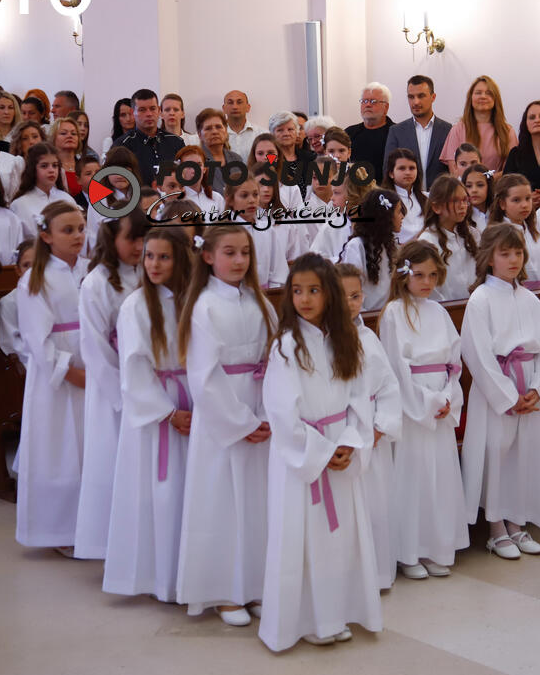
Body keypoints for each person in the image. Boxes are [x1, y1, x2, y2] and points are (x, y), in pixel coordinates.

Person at [259, 253, 381, 649]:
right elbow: (281, 412)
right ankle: (306, 619)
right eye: (297, 291)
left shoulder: (346, 341)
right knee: (304, 540)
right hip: (306, 457)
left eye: (314, 290)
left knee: (339, 540)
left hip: (340, 448)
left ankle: (337, 612)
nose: (305, 299)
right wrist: (322, 451)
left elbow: (360, 397)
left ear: (329, 293)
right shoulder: (286, 346)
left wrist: (350, 441)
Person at [176, 225, 277, 626]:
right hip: (223, 415)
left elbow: (275, 356)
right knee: (222, 501)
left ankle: (255, 584)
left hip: (260, 406)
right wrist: (240, 422)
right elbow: (204, 376)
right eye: (230, 253)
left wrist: (267, 413)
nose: (239, 261)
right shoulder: (203, 306)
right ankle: (223, 591)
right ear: (207, 256)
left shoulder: (260, 302)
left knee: (256, 502)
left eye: (245, 253)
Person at [102, 228, 193, 601]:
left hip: (193, 401)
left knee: (190, 492)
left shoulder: (192, 299)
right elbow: (134, 368)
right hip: (160, 409)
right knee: (162, 492)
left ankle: (191, 573)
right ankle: (161, 578)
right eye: (149, 256)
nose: (154, 264)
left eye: (164, 257)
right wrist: (168, 412)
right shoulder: (136, 306)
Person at [461, 223, 540, 558]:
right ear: (489, 258)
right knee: (497, 453)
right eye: (505, 254)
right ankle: (496, 528)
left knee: (523, 455)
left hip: (528, 386)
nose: (514, 259)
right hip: (498, 388)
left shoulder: (528, 298)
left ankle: (517, 523)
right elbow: (477, 353)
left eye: (518, 252)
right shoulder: (480, 299)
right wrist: (507, 396)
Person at [379, 239, 469, 579]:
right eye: (419, 275)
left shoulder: (439, 312)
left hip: (441, 402)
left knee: (439, 478)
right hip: (413, 407)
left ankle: (435, 547)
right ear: (404, 275)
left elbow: (454, 362)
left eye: (432, 275)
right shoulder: (393, 313)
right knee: (413, 478)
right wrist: (427, 402)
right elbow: (395, 367)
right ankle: (409, 551)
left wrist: (448, 396)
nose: (427, 282)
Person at [73, 212, 148, 560]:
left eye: (144, 238)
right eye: (131, 238)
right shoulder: (96, 283)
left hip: (150, 385)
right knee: (114, 462)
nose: (139, 246)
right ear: (111, 238)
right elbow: (96, 348)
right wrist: (124, 395)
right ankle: (110, 545)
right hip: (115, 391)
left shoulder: (150, 272)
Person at [14, 201, 88, 552]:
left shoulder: (92, 271)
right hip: (58, 377)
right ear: (46, 236)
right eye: (67, 230)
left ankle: (92, 526)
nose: (77, 236)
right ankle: (59, 531)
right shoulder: (34, 279)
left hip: (95, 367)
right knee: (60, 450)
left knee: (90, 447)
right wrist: (69, 372)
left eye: (81, 228)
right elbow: (35, 338)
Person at [336, 263, 403, 590]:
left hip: (374, 435)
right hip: (347, 437)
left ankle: (379, 572)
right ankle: (352, 578)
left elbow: (389, 385)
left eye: (356, 296)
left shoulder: (369, 337)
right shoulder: (326, 341)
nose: (351, 303)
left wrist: (382, 424)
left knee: (377, 506)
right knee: (351, 510)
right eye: (342, 296)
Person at [487, 173, 540, 290]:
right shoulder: (496, 236)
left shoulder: (536, 234)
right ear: (502, 203)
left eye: (528, 198)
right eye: (516, 200)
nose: (524, 205)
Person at [438, 75, 517, 174]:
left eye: (488, 93)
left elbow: (509, 171)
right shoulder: (457, 130)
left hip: (498, 184)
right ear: (470, 98)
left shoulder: (508, 131)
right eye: (478, 93)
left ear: (495, 99)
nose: (483, 96)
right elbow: (454, 171)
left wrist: (487, 180)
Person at [342, 189, 404, 311]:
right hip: (367, 316)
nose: (402, 216)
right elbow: (351, 289)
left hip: (391, 313)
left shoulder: (392, 246)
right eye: (398, 212)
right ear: (386, 216)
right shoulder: (357, 246)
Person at [417, 174, 478, 301]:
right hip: (446, 307)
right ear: (436, 207)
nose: (462, 206)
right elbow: (430, 288)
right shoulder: (427, 241)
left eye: (465, 200)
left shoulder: (473, 234)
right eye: (455, 201)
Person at [383, 74, 452, 180]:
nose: (416, 102)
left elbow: (453, 170)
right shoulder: (396, 132)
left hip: (440, 190)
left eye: (421, 96)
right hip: (406, 191)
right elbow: (388, 170)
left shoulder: (448, 130)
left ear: (433, 97)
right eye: (411, 97)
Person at [228, 170, 288, 288]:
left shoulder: (267, 230)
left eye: (255, 194)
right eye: (244, 195)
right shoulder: (223, 232)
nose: (251, 200)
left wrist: (272, 291)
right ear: (230, 199)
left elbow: (279, 271)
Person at [114, 89, 186, 183]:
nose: (149, 114)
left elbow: (188, 178)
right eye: (142, 110)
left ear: (159, 110)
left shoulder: (176, 142)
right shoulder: (122, 145)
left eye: (152, 108)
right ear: (133, 113)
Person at [9, 143, 77, 239]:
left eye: (55, 165)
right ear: (33, 169)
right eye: (44, 166)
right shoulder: (20, 205)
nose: (51, 170)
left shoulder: (67, 199)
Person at [503, 100, 540, 203]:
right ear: (525, 123)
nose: (537, 120)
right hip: (523, 209)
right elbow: (505, 188)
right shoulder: (516, 154)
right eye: (532, 117)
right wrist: (526, 197)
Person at [0, 240, 35, 368]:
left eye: (38, 265)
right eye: (26, 265)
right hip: (29, 365)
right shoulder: (8, 303)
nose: (32, 271)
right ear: (18, 270)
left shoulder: (55, 297)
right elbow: (11, 344)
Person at [380, 147, 426, 244]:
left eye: (412, 168)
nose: (408, 172)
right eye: (402, 168)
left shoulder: (426, 197)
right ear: (391, 173)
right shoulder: (384, 201)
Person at [196, 108, 245, 194]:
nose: (214, 131)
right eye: (208, 128)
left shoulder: (237, 159)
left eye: (218, 127)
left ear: (226, 131)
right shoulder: (196, 162)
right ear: (200, 135)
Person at [222, 89, 263, 157]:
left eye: (239, 102)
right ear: (224, 108)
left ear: (248, 107)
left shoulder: (261, 134)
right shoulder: (215, 135)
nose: (235, 107)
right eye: (230, 103)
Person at [461, 160, 491, 227]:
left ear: (489, 186)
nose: (474, 190)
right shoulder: (461, 218)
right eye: (469, 186)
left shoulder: (499, 213)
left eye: (480, 185)